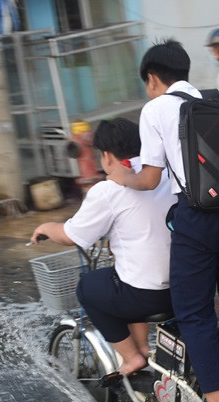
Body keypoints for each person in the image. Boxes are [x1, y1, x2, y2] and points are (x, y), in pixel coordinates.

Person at [109, 39, 219, 402]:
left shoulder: (156, 108)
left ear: (152, 78)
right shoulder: (213, 102)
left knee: (194, 311)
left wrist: (119, 177)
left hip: (199, 219)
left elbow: (149, 178)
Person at [30, 118, 176, 378]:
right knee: (123, 275)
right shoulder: (165, 174)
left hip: (147, 295)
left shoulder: (108, 191)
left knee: (89, 286)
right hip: (184, 287)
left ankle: (131, 357)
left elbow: (70, 235)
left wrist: (47, 227)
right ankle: (142, 348)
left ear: (107, 155)